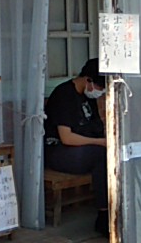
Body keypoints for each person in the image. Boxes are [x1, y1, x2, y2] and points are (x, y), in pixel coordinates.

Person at [44, 57, 109, 236]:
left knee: (110, 154)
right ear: (88, 80)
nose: (100, 92)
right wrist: (100, 142)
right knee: (102, 155)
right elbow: (67, 137)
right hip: (59, 150)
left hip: (84, 148)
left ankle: (114, 206)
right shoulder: (64, 95)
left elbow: (96, 127)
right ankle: (104, 215)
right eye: (100, 87)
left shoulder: (88, 98)